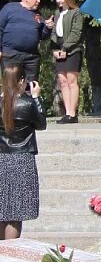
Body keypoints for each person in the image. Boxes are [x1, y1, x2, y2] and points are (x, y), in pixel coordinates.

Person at [0, 67, 45, 238]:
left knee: (2, 211)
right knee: (15, 214)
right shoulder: (27, 103)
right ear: (21, 81)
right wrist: (36, 97)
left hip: (2, 157)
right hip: (22, 158)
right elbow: (41, 124)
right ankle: (11, 256)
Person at [49, 0, 88, 124]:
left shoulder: (76, 12)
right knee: (63, 82)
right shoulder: (57, 13)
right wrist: (55, 49)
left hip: (72, 50)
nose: (58, 1)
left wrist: (65, 47)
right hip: (60, 50)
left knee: (71, 81)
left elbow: (76, 33)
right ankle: (67, 113)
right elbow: (54, 32)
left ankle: (72, 113)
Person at [0, 0, 50, 83]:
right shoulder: (9, 8)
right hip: (11, 55)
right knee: (11, 86)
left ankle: (30, 98)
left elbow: (43, 36)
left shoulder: (38, 14)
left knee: (30, 87)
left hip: (31, 57)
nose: (39, 1)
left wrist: (48, 27)